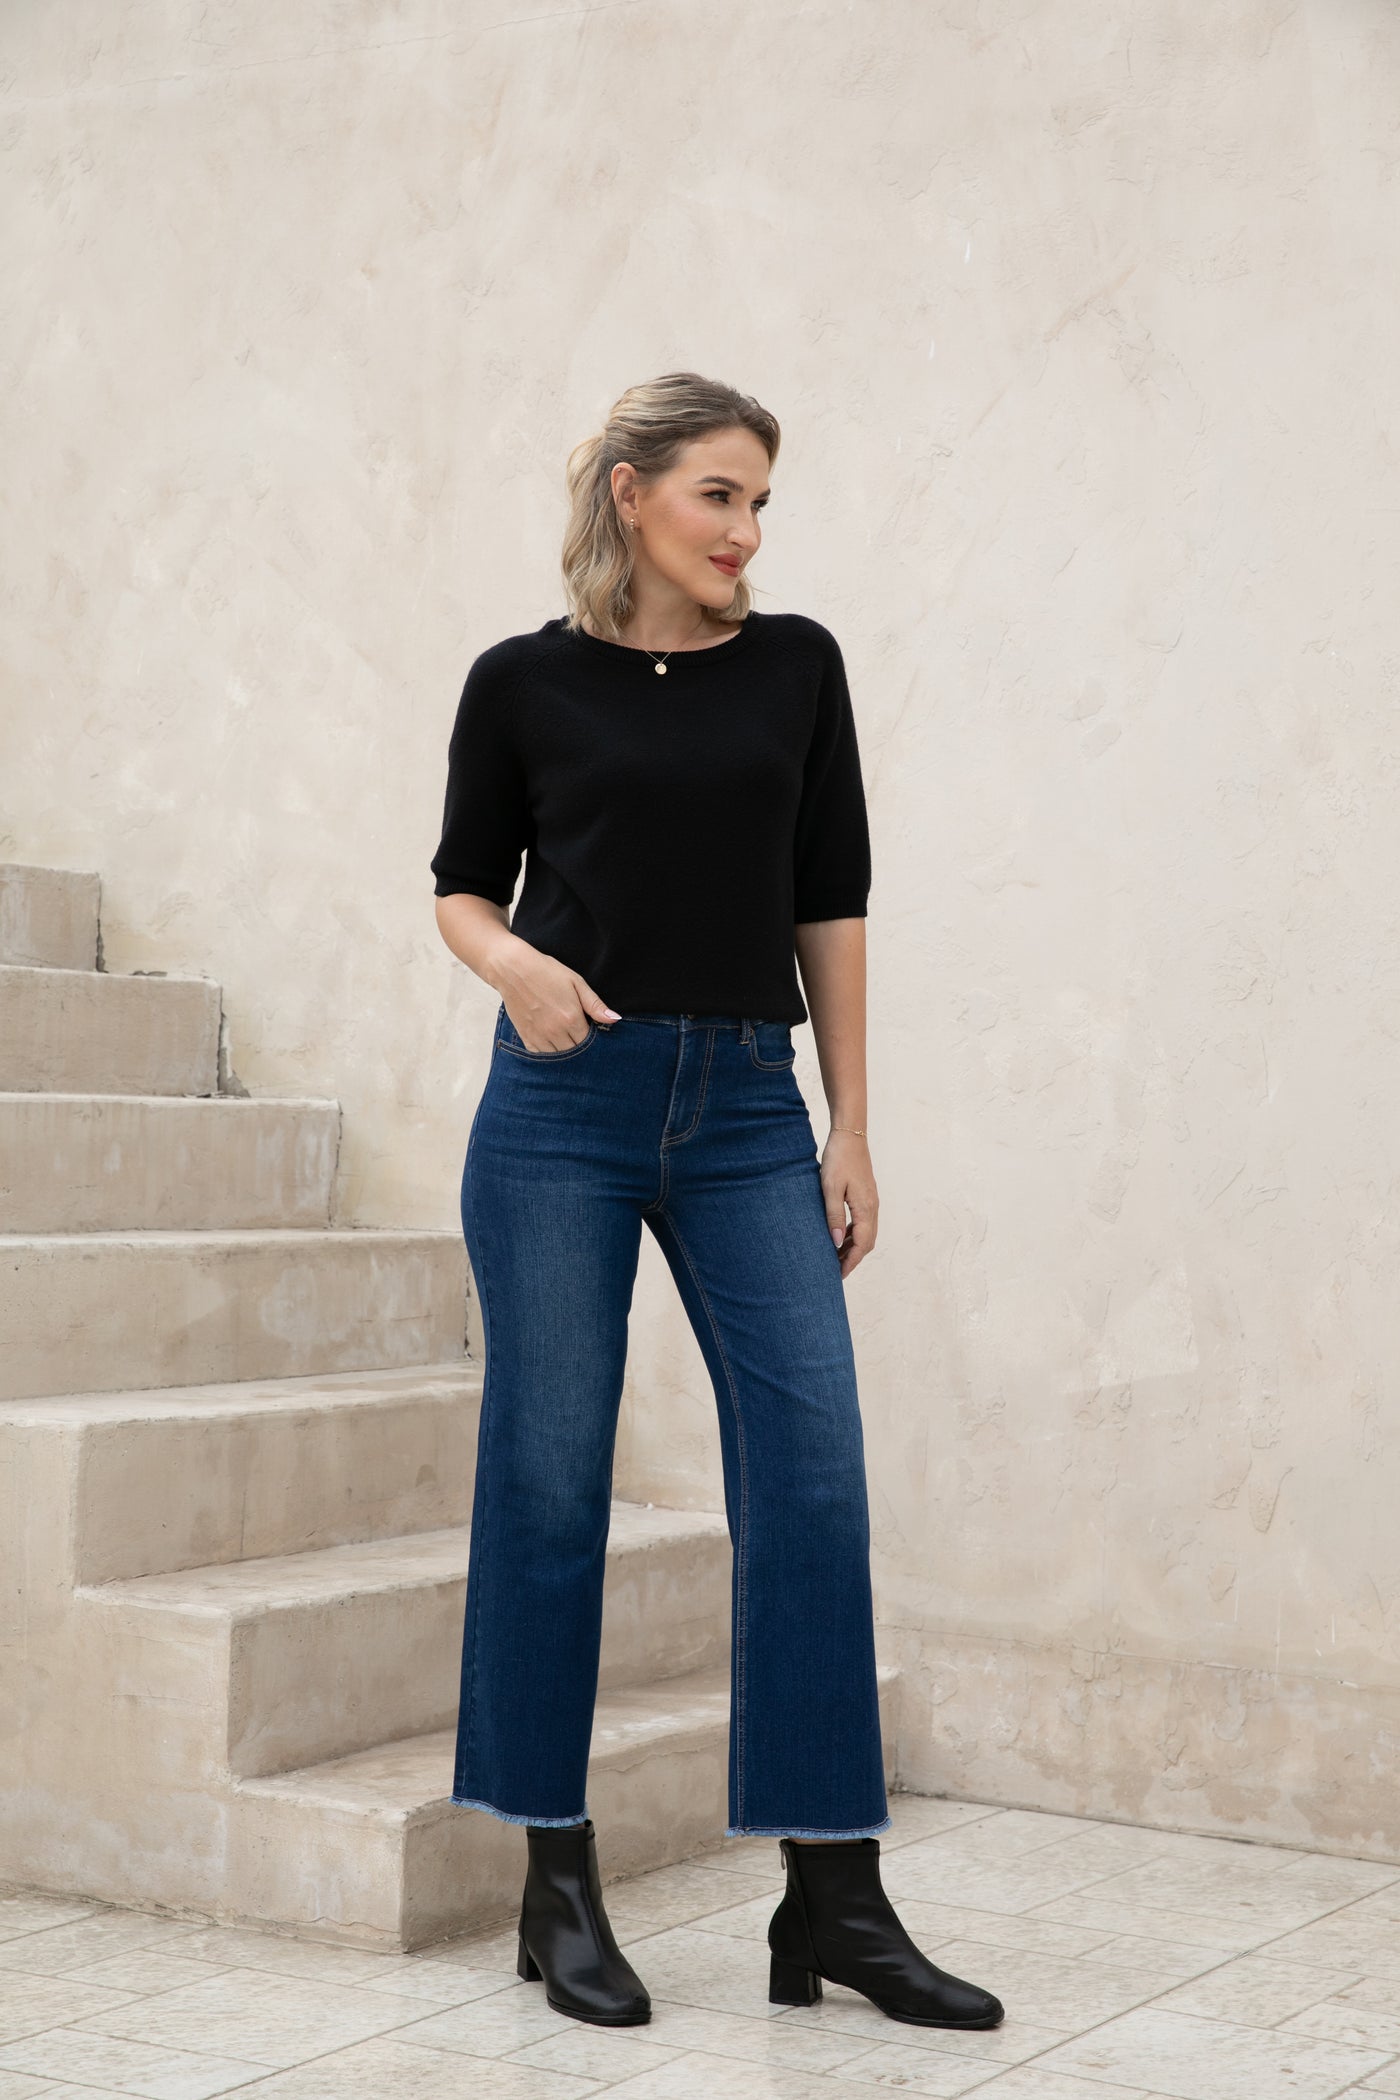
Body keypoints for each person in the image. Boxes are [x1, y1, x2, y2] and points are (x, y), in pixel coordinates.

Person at [430, 371, 1003, 2035]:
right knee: (549, 1483)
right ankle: (555, 1882)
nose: (746, 531)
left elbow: (833, 902)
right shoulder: (521, 683)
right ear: (632, 493)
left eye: (760, 503)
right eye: (718, 496)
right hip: (563, 1105)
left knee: (811, 1479)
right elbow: (461, 890)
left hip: (752, 1105)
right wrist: (517, 967)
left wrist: (851, 1124)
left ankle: (833, 1897)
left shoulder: (796, 667)